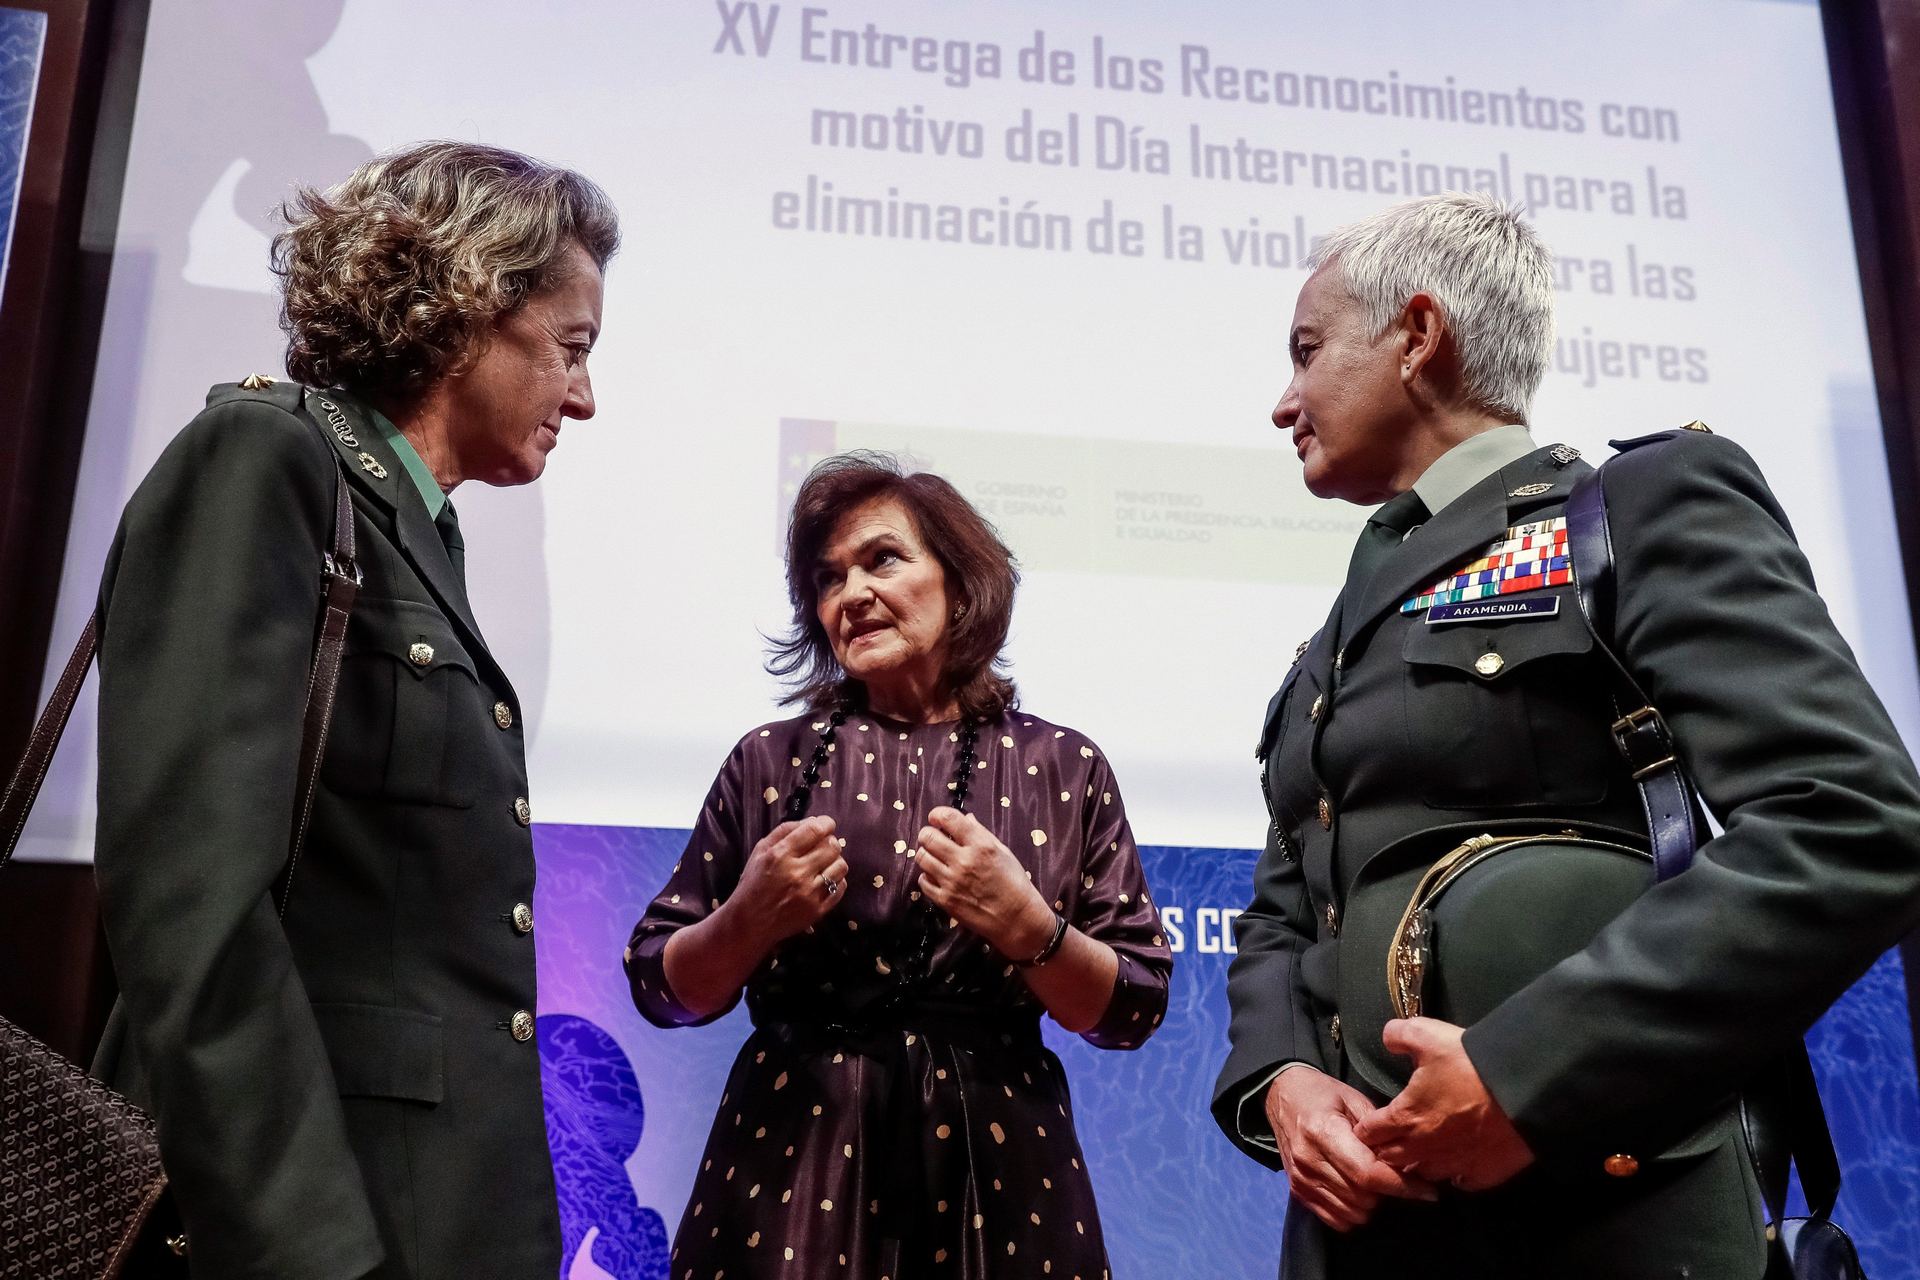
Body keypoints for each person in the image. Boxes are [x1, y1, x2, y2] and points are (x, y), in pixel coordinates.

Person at [1211, 192, 1920, 1278]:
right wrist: (1283, 1083)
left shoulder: (1638, 505)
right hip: (1366, 1238)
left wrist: (1524, 1072)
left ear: (1419, 335)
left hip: (1606, 1213)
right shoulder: (1331, 642)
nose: (1282, 402)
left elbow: (1851, 821)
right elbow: (1285, 904)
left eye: (1306, 351)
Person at [90, 140, 618, 1279]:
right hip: (312, 1228)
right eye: (571, 348)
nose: (584, 394)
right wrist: (311, 1254)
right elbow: (194, 908)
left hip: (426, 1214)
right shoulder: (261, 456)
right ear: (472, 303)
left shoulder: (416, 526)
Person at [625, 452, 1171, 1279]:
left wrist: (1030, 928)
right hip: (791, 1169)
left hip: (1002, 1176)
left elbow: (1131, 1010)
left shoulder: (1065, 767)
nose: (852, 595)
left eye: (882, 559)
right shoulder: (769, 763)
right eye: (827, 578)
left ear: (961, 579)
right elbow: (660, 989)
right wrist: (746, 921)